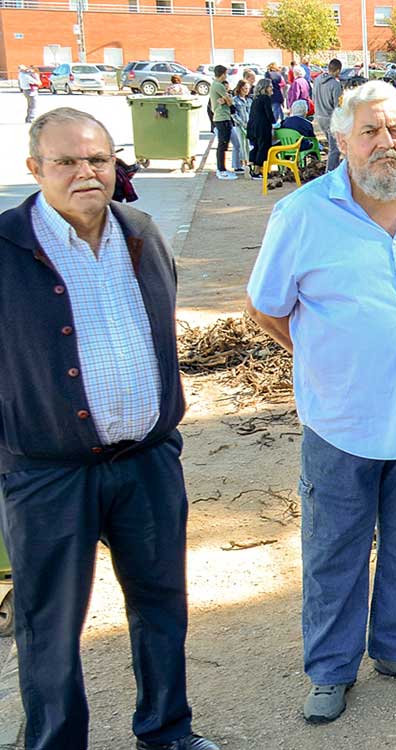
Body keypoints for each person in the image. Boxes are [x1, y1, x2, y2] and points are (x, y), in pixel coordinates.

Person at [245, 81, 396, 724]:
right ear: (343, 140)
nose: (385, 144)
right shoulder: (301, 214)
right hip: (342, 419)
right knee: (334, 547)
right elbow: (266, 308)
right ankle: (330, 669)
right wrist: (331, 360)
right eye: (370, 132)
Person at [1, 107, 220, 750]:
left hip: (147, 463)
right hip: (47, 473)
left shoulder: (141, 232)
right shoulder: (8, 247)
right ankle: (56, 742)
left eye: (97, 160)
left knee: (160, 605)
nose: (85, 173)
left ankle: (167, 730)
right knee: (50, 623)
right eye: (66, 162)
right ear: (34, 168)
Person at [208, 64, 239, 180]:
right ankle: (221, 169)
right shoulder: (219, 86)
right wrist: (227, 101)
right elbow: (229, 100)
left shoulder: (214, 85)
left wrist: (225, 100)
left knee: (224, 143)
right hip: (222, 117)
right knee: (223, 144)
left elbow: (225, 99)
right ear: (222, 74)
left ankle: (222, 168)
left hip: (223, 117)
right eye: (225, 74)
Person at [313, 58, 344, 172]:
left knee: (333, 146)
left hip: (319, 116)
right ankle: (330, 172)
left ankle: (333, 170)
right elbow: (338, 106)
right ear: (338, 70)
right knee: (335, 149)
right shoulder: (335, 84)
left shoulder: (317, 80)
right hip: (331, 118)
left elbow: (313, 97)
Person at [248, 77, 276, 177]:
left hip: (252, 126)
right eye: (270, 86)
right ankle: (257, 170)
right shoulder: (265, 98)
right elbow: (269, 114)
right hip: (262, 126)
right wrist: (274, 122)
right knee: (263, 147)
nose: (272, 88)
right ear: (265, 87)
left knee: (256, 146)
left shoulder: (256, 99)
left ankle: (252, 167)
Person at [231, 79, 255, 179]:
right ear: (240, 88)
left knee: (248, 146)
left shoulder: (249, 100)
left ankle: (249, 165)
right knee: (242, 145)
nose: (246, 90)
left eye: (248, 89)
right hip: (240, 126)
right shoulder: (235, 100)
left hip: (249, 126)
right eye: (245, 88)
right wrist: (242, 123)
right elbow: (233, 114)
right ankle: (244, 165)